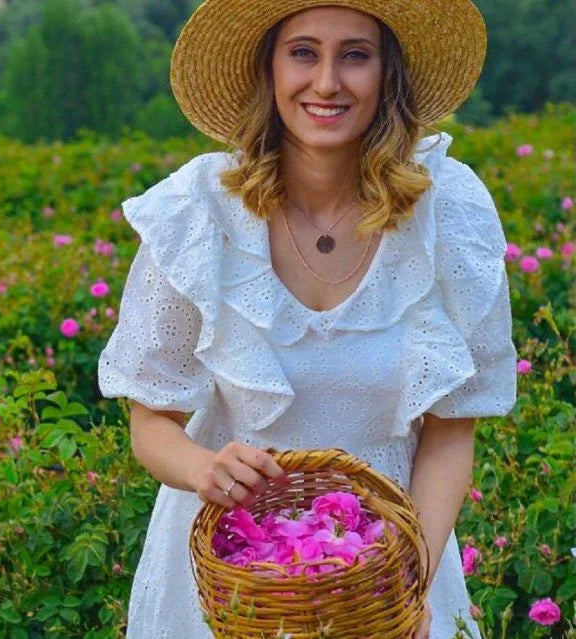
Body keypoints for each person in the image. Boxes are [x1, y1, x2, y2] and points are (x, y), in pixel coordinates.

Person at [97, 1, 516, 637]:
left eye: (355, 55)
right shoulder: (196, 213)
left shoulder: (447, 210)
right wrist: (204, 469)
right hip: (229, 571)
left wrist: (408, 581)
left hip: (395, 557)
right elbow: (151, 420)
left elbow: (451, 431)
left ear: (387, 74)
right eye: (302, 53)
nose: (326, 82)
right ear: (268, 68)